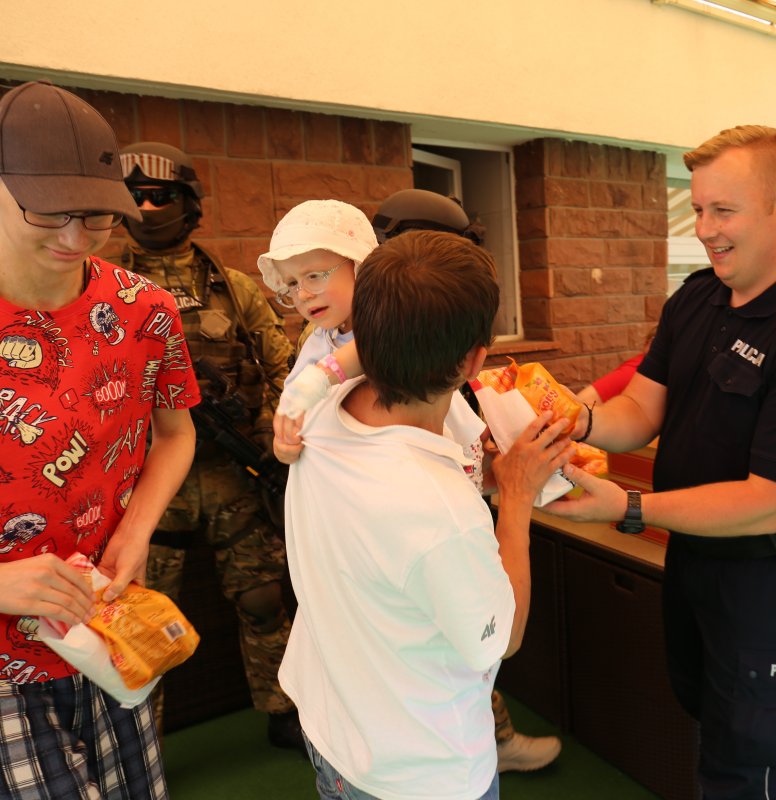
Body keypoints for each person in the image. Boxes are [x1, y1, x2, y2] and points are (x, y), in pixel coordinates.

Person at [542, 125, 776, 799]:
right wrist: (580, 419)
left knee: (755, 762)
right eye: (696, 209)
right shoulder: (696, 298)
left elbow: (767, 500)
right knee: (705, 719)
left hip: (766, 578)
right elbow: (641, 409)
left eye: (724, 211)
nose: (705, 229)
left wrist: (630, 508)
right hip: (691, 561)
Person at [266, 190, 564, 773]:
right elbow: (502, 638)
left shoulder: (316, 413)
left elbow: (339, 368)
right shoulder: (440, 511)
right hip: (419, 765)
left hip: (331, 726)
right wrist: (519, 498)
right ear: (475, 360)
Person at [0, 81, 198, 798]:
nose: (76, 239)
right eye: (51, 211)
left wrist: (138, 530)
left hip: (107, 628)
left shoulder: (143, 308)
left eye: (100, 218)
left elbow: (176, 432)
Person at [117, 142, 301, 749]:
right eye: (136, 195)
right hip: (145, 487)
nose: (147, 206)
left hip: (232, 474)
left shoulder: (234, 287)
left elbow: (284, 369)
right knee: (137, 622)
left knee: (263, 597)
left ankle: (283, 707)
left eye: (161, 195)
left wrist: (272, 436)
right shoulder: (101, 289)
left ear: (189, 204)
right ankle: (141, 737)